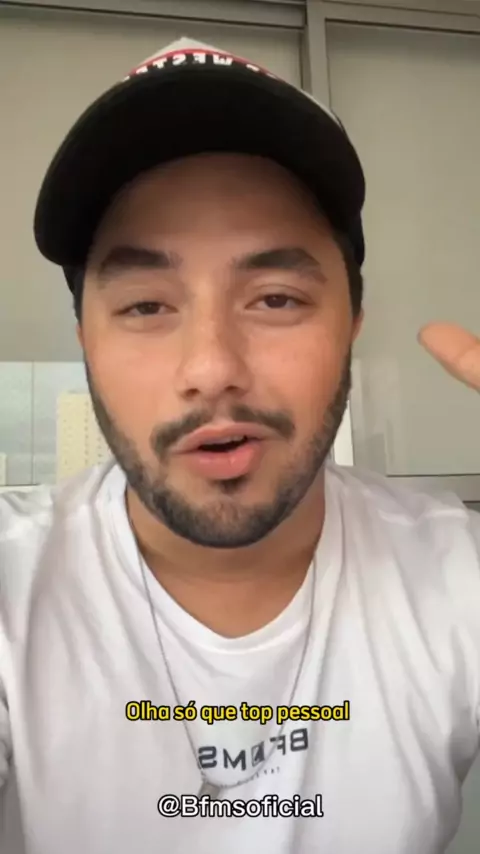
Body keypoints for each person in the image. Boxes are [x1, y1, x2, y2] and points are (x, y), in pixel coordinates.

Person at [1, 35, 479, 854]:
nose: (212, 369)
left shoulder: (454, 574)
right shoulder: (16, 586)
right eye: (147, 306)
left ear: (353, 323)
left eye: (276, 298)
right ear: (85, 338)